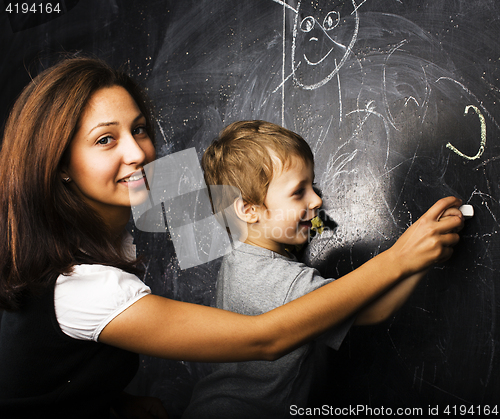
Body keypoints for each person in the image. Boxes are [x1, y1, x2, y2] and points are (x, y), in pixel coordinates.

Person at [0, 57, 463, 419]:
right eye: (105, 139)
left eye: (139, 129)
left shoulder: (109, 244)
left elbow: (45, 372)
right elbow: (264, 339)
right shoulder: (86, 286)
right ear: (60, 164)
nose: (137, 152)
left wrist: (113, 402)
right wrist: (401, 256)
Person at [183, 120, 466, 418]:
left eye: (312, 186)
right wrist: (416, 257)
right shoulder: (282, 282)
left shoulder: (239, 261)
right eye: (298, 192)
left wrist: (423, 257)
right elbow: (376, 310)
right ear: (248, 209)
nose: (317, 200)